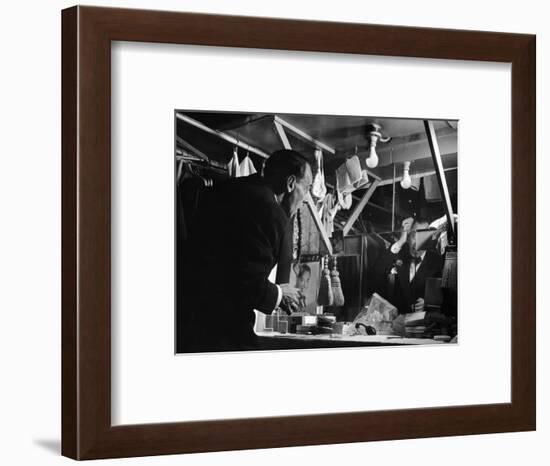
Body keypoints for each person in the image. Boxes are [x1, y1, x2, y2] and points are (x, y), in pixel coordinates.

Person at [177, 149, 313, 352]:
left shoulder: (232, 188)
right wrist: (279, 294)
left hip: (184, 321)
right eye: (307, 188)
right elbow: (244, 279)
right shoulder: (268, 209)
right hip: (218, 331)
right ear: (291, 183)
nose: (306, 198)